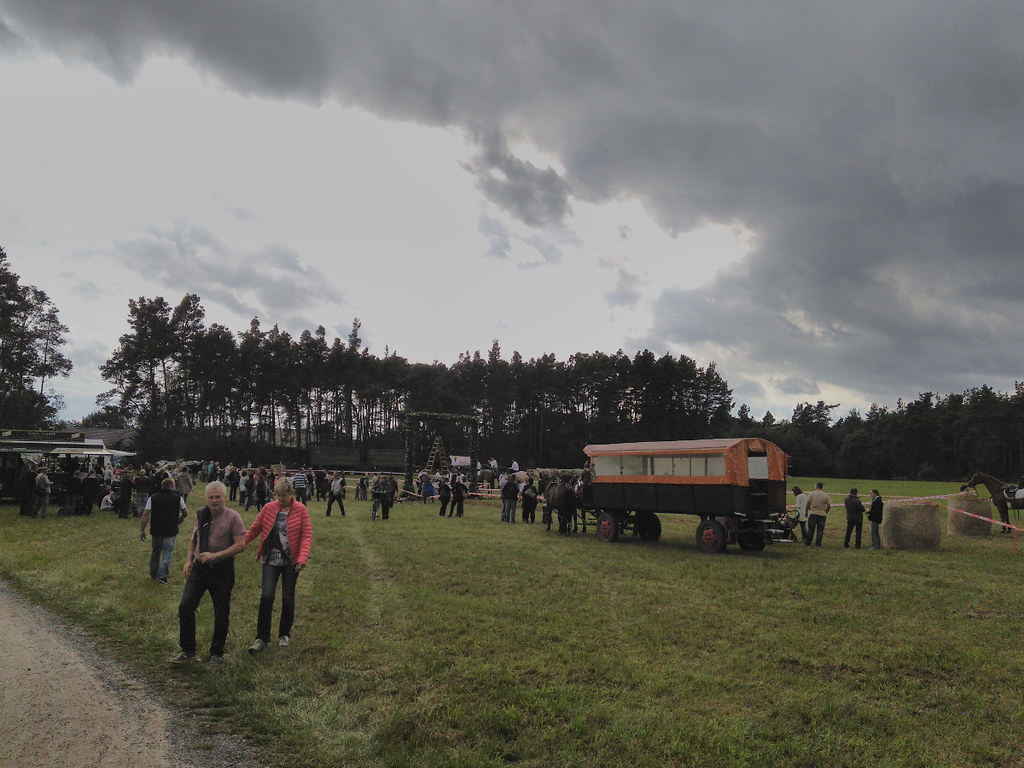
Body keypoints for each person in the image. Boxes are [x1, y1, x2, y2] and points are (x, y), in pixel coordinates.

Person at [172, 481, 247, 666]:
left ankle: (217, 653)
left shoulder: (233, 517)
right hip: (200, 568)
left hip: (222, 570)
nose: (214, 501)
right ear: (206, 499)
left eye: (218, 497)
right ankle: (188, 650)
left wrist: (216, 556)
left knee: (221, 612)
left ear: (225, 498)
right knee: (185, 606)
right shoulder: (200, 514)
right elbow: (193, 540)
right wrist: (189, 560)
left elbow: (241, 545)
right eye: (211, 498)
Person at [245, 476, 312, 654]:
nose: (281, 499)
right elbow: (255, 529)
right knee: (267, 597)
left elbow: (306, 536)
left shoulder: (301, 510)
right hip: (270, 560)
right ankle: (261, 637)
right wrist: (241, 542)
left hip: (291, 562)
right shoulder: (268, 508)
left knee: (288, 598)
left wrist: (301, 559)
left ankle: (284, 634)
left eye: (284, 495)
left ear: (292, 493)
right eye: (278, 496)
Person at [140, 477, 188, 584]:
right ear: (172, 487)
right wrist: (179, 520)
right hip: (171, 529)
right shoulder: (178, 498)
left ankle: (153, 573)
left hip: (156, 529)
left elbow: (145, 515)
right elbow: (185, 512)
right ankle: (162, 576)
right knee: (167, 553)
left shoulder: (153, 498)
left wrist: (142, 530)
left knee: (155, 552)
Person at [804, 482, 831, 548]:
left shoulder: (811, 494)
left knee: (811, 529)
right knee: (820, 530)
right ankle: (818, 544)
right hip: (822, 515)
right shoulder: (825, 495)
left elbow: (807, 504)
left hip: (813, 514)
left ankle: (808, 543)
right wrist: (825, 511)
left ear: (816, 486)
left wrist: (806, 512)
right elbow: (829, 505)